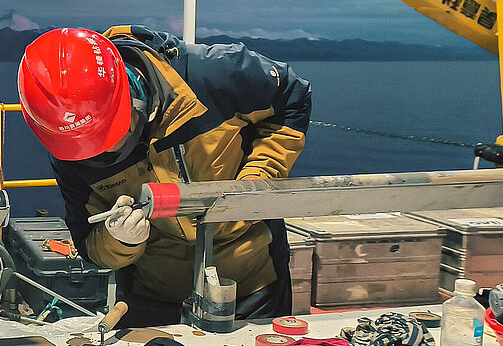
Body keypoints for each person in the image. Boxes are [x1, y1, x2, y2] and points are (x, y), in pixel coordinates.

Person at [17, 25, 311, 325]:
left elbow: (292, 94)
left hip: (249, 281)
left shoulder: (211, 75)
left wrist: (257, 181)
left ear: (132, 93)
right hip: (151, 294)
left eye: (112, 132)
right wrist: (120, 241)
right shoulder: (72, 151)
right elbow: (90, 244)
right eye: (89, 146)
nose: (103, 152)